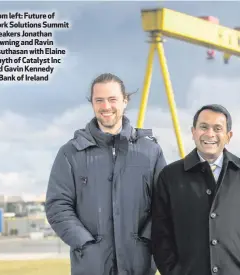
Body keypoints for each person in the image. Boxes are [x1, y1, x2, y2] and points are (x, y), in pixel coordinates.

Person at [45, 73, 167, 275]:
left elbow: (165, 203)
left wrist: (146, 241)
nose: (106, 106)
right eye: (99, 100)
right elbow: (57, 205)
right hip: (90, 266)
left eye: (112, 99)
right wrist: (85, 244)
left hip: (140, 265)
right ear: (92, 103)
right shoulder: (70, 153)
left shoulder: (150, 151)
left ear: (125, 101)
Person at [151, 104, 240, 275]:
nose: (210, 134)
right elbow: (160, 234)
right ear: (193, 132)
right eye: (203, 127)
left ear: (228, 136)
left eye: (218, 128)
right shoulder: (170, 177)